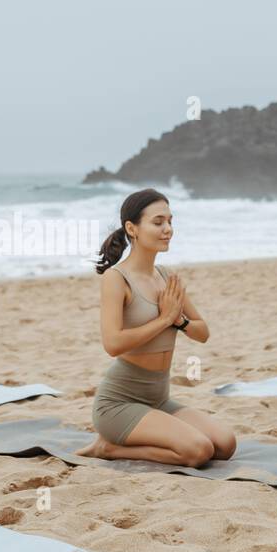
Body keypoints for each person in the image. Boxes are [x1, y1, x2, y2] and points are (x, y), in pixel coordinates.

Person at [76, 188, 236, 467]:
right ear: (132, 228)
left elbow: (202, 332)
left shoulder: (165, 276)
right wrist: (163, 320)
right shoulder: (117, 279)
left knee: (225, 445)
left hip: (158, 399)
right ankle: (108, 448)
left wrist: (179, 321)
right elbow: (112, 344)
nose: (168, 229)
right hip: (119, 404)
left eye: (170, 222)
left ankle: (133, 439)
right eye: (158, 222)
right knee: (197, 451)